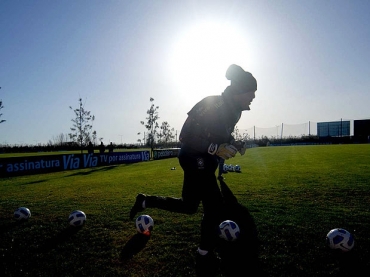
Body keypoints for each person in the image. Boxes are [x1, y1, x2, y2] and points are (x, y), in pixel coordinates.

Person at [129, 64, 257, 276]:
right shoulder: (212, 104)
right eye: (251, 93)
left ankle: (145, 200)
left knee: (189, 207)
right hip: (192, 157)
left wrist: (235, 143)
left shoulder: (235, 112)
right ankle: (204, 253)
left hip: (206, 159)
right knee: (214, 206)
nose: (253, 97)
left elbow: (221, 136)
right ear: (240, 90)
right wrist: (215, 148)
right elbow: (185, 136)